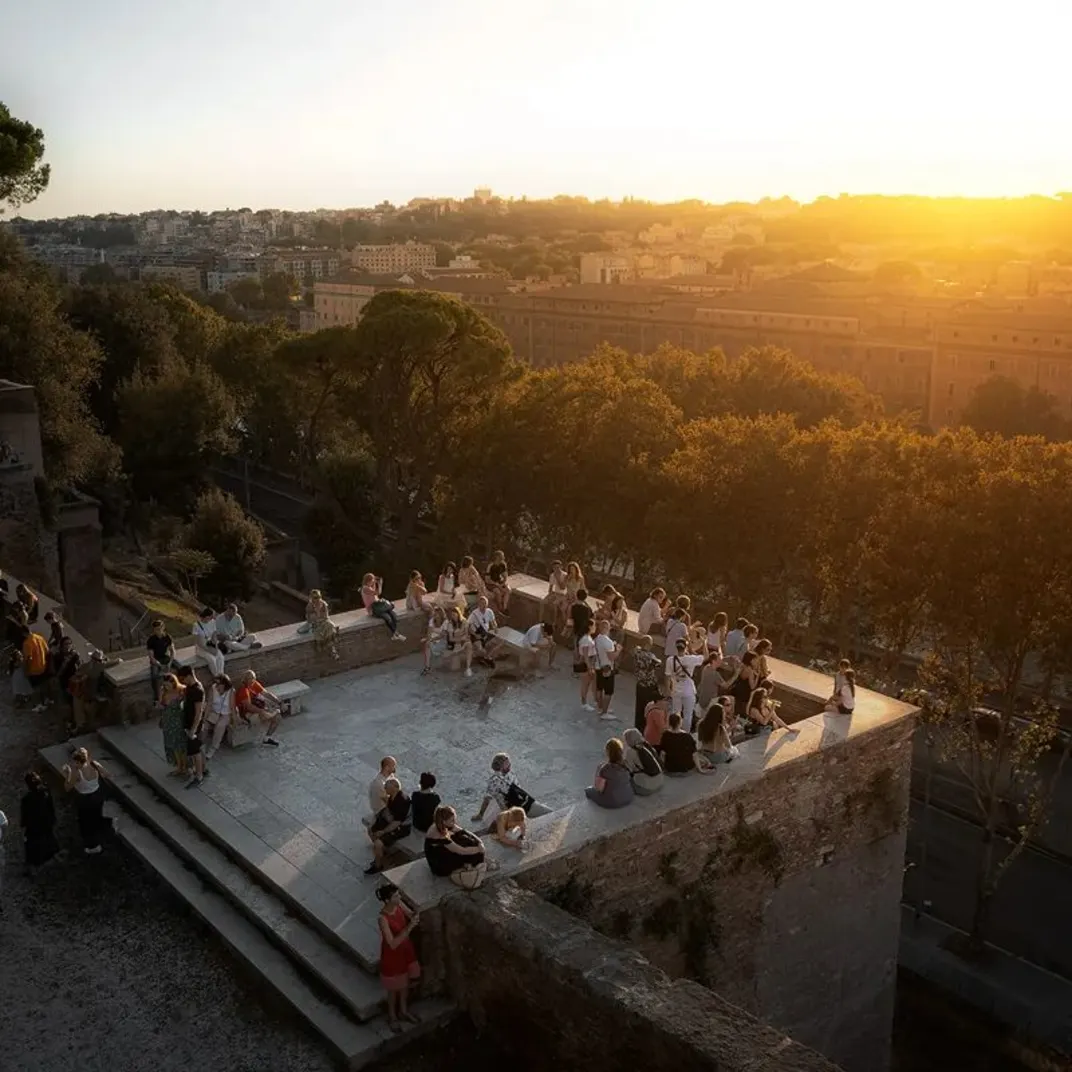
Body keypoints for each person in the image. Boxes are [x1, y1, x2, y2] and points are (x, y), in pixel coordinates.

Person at [376, 882, 421, 1032]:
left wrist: (415, 915)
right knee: (393, 989)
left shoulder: (399, 904)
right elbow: (392, 943)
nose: (399, 897)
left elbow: (410, 914)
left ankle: (403, 1011)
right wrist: (410, 927)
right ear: (387, 900)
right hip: (393, 955)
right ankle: (392, 1016)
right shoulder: (383, 918)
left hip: (405, 950)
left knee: (405, 983)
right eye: (396, 896)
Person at [62, 747, 110, 854]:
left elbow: (67, 787)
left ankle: (93, 846)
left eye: (74, 762)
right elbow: (106, 774)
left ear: (78, 762)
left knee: (86, 822)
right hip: (97, 794)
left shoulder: (77, 772)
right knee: (96, 816)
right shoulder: (94, 764)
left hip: (85, 799)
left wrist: (67, 774)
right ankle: (104, 831)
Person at [424, 805, 487, 887]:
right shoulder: (438, 834)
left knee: (468, 839)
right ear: (444, 821)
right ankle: (473, 867)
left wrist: (479, 842)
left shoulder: (444, 824)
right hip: (439, 864)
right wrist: (479, 849)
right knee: (473, 851)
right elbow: (461, 851)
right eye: (452, 820)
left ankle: (473, 864)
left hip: (445, 851)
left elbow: (463, 831)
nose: (454, 822)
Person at [365, 777, 412, 874]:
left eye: (386, 786)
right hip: (391, 821)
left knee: (378, 843)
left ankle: (378, 865)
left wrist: (383, 831)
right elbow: (388, 809)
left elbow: (397, 822)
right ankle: (381, 851)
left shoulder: (402, 801)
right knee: (370, 830)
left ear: (394, 787)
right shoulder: (392, 796)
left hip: (401, 827)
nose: (384, 787)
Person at [472, 752, 534, 825]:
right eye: (507, 763)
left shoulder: (504, 777)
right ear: (501, 766)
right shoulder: (501, 778)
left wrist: (480, 814)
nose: (510, 765)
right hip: (515, 805)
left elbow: (487, 799)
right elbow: (487, 799)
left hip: (512, 805)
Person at [664, 637, 706, 733]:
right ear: (685, 647)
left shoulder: (670, 660)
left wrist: (668, 691)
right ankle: (685, 733)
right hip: (689, 691)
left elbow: (667, 677)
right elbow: (706, 656)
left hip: (675, 690)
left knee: (675, 713)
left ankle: (674, 731)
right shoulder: (691, 659)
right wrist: (704, 642)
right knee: (688, 715)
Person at [21, 771, 59, 870]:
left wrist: (24, 823)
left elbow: (26, 814)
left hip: (34, 826)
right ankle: (50, 854)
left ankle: (35, 860)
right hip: (46, 821)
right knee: (48, 837)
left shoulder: (27, 799)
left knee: (33, 843)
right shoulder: (46, 791)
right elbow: (51, 806)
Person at [235, 669, 283, 746]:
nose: (252, 680)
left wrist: (279, 702)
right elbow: (249, 707)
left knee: (278, 718)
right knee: (266, 716)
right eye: (249, 678)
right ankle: (273, 713)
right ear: (245, 680)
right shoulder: (243, 690)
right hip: (245, 713)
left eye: (253, 678)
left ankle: (267, 739)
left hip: (256, 707)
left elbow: (266, 693)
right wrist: (262, 711)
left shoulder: (254, 683)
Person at [177, 666, 208, 789]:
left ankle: (199, 776)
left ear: (189, 676)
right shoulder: (190, 688)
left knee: (195, 751)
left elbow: (199, 712)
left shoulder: (198, 690)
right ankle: (203, 770)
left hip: (193, 727)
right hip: (188, 724)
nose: (182, 681)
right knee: (198, 748)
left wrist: (193, 730)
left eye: (183, 679)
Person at [585, 738, 635, 809]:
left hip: (613, 801)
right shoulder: (626, 764)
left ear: (608, 752)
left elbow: (599, 788)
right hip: (628, 796)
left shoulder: (605, 768)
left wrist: (598, 771)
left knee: (588, 790)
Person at [159, 673, 189, 776]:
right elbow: (161, 706)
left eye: (168, 685)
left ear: (173, 683)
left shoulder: (182, 691)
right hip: (168, 721)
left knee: (181, 745)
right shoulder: (163, 691)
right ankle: (179, 767)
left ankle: (185, 767)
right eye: (164, 685)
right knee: (173, 745)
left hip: (179, 721)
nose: (166, 687)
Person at [632, 635, 664, 731]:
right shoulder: (650, 656)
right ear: (647, 644)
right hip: (649, 684)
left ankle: (638, 726)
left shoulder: (636, 652)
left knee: (639, 706)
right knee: (649, 706)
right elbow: (659, 663)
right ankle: (647, 725)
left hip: (640, 683)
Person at [362, 574, 406, 641]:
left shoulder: (369, 587)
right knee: (387, 618)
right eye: (372, 580)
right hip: (373, 609)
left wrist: (374, 583)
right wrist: (380, 584)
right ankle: (396, 634)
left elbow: (375, 594)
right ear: (368, 581)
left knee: (393, 615)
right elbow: (378, 593)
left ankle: (395, 634)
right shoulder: (365, 588)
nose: (373, 581)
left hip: (379, 606)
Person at [203, 674, 236, 760]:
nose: (216, 685)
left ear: (225, 684)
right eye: (216, 683)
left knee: (220, 726)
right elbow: (209, 704)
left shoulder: (231, 691)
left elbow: (232, 707)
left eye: (219, 684)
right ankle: (201, 745)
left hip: (226, 714)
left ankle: (213, 748)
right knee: (204, 726)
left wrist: (235, 719)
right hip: (214, 712)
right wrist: (204, 718)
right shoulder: (213, 688)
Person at [621, 727, 663, 795]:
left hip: (647, 787)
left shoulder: (630, 751)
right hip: (659, 780)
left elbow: (629, 769)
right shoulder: (647, 745)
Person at [592, 619, 620, 720]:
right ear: (607, 628)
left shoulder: (596, 639)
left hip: (598, 667)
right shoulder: (608, 642)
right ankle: (604, 712)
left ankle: (600, 707)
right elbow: (612, 657)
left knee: (599, 688)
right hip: (607, 668)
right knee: (608, 691)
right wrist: (618, 650)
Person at [20, 625, 51, 713]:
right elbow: (47, 651)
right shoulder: (40, 638)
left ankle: (39, 705)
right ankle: (46, 701)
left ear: (23, 633)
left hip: (33, 669)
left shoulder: (27, 643)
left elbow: (29, 658)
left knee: (36, 688)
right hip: (43, 666)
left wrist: (26, 670)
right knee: (43, 685)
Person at [304, 589, 339, 660]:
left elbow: (326, 616)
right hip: (315, 624)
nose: (317, 599)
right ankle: (330, 650)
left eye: (318, 597)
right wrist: (315, 618)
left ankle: (332, 650)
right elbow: (309, 618)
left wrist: (321, 618)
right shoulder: (309, 606)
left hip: (323, 621)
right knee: (319, 631)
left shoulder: (323, 604)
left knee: (330, 626)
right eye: (315, 598)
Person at [146, 619, 175, 704]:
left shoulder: (167, 637)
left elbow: (173, 651)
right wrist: (159, 665)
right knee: (154, 675)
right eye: (156, 630)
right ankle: (156, 697)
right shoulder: (151, 640)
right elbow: (151, 657)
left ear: (163, 628)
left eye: (159, 629)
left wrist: (170, 663)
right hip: (156, 660)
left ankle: (180, 691)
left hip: (165, 657)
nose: (158, 631)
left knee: (180, 667)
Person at [728, 651, 760, 725]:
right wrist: (757, 677)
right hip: (744, 693)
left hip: (736, 689)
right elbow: (752, 686)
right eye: (755, 660)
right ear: (751, 660)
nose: (756, 662)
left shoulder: (741, 665)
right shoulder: (750, 670)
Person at [193, 607, 226, 678]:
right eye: (211, 617)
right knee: (212, 659)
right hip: (201, 648)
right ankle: (217, 677)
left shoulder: (213, 622)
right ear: (207, 616)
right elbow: (199, 643)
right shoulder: (196, 625)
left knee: (220, 657)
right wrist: (211, 651)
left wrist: (216, 648)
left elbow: (214, 636)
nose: (212, 619)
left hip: (211, 645)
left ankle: (221, 676)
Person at [466, 595, 500, 665]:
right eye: (482, 603)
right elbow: (467, 626)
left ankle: (486, 657)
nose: (483, 605)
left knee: (500, 642)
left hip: (486, 632)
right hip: (476, 634)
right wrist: (475, 635)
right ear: (478, 604)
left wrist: (495, 627)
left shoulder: (489, 611)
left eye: (485, 603)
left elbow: (493, 622)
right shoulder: (474, 614)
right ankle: (484, 656)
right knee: (481, 650)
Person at [443, 606, 474, 676]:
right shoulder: (450, 624)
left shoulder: (464, 621)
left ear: (458, 614)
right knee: (454, 668)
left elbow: (466, 634)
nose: (453, 616)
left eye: (455, 614)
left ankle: (468, 668)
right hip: (455, 644)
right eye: (452, 615)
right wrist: (460, 639)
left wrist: (462, 638)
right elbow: (451, 639)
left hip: (463, 642)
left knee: (469, 645)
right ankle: (456, 653)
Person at [421, 605, 449, 675]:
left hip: (442, 640)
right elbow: (429, 632)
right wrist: (428, 639)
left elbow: (442, 635)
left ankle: (428, 665)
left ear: (440, 614)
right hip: (433, 640)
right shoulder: (432, 620)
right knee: (427, 645)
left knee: (428, 644)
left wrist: (430, 640)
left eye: (436, 614)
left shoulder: (445, 622)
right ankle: (427, 667)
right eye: (434, 613)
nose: (434, 615)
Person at [577, 620, 597, 712]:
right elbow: (585, 654)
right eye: (594, 626)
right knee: (585, 684)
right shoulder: (586, 639)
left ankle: (585, 701)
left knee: (587, 683)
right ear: (589, 627)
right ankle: (583, 703)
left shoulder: (589, 637)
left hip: (589, 662)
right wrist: (589, 667)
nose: (595, 627)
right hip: (587, 663)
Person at [543, 560, 569, 628]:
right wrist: (549, 595)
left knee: (555, 604)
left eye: (558, 567)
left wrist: (557, 577)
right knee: (544, 602)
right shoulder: (552, 575)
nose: (556, 569)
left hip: (564, 594)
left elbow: (563, 587)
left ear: (561, 567)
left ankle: (555, 623)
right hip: (556, 593)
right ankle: (543, 620)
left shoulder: (565, 575)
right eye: (554, 568)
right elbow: (550, 587)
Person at [485, 550, 511, 617]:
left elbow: (505, 576)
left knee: (508, 590)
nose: (503, 558)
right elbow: (487, 579)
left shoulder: (503, 565)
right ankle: (500, 608)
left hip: (499, 582)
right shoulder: (490, 566)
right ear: (497, 557)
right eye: (502, 557)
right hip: (491, 583)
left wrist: (503, 583)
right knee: (497, 592)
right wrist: (496, 584)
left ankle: (504, 608)